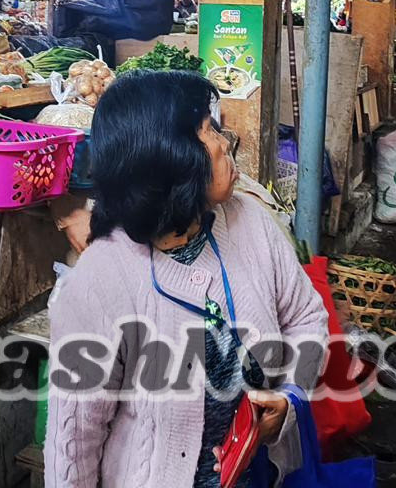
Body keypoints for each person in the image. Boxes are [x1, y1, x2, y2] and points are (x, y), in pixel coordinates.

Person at [45, 70, 327, 488]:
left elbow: (305, 318)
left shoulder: (251, 223)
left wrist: (288, 399)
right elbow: (75, 440)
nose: (224, 143)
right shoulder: (101, 279)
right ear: (172, 158)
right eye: (209, 130)